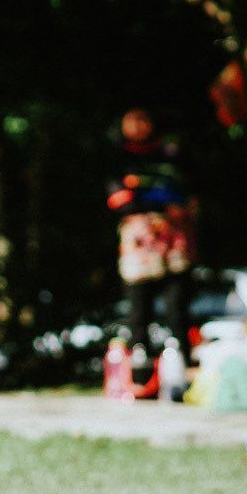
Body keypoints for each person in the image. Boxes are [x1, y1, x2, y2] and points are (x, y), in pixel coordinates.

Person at [105, 108, 196, 362]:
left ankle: (181, 356)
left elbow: (187, 194)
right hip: (139, 239)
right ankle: (139, 357)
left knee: (177, 301)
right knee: (139, 303)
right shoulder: (118, 157)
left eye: (143, 119)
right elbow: (118, 199)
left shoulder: (172, 154)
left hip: (174, 238)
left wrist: (167, 205)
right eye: (131, 120)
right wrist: (155, 205)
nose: (138, 126)